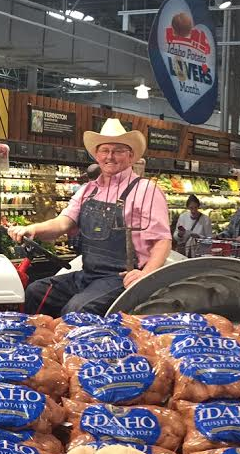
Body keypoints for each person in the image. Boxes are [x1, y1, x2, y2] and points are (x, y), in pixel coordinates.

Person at [10, 118, 169, 314]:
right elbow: (63, 223)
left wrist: (146, 275)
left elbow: (162, 241)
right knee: (35, 292)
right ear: (96, 155)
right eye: (104, 150)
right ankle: (41, 334)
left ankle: (70, 335)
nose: (110, 156)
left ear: (131, 156)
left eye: (118, 151)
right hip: (88, 275)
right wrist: (32, 229)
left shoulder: (147, 190)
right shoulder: (88, 190)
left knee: (77, 310)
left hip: (122, 278)